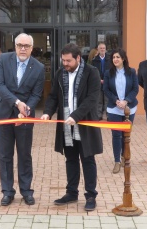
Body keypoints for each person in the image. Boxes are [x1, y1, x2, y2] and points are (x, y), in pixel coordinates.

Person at [41, 43, 102, 211]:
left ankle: (90, 195)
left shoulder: (92, 72)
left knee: (88, 159)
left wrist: (76, 116)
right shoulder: (60, 73)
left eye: (68, 61)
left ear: (78, 58)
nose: (65, 64)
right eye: (63, 60)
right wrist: (47, 112)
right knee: (71, 159)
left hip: (84, 122)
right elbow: (53, 96)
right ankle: (71, 193)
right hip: (66, 125)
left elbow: (92, 98)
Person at [0, 33, 45, 206]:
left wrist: (25, 110)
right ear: (15, 46)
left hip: (25, 117)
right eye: (20, 45)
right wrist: (18, 102)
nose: (23, 48)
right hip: (3, 112)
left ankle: (26, 191)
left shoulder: (39, 67)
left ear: (31, 48)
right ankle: (7, 191)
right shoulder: (3, 60)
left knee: (24, 154)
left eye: (26, 46)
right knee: (5, 154)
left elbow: (36, 94)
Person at [103, 48, 138, 173]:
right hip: (114, 108)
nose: (115, 59)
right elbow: (106, 89)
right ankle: (117, 161)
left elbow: (135, 89)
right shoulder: (108, 73)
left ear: (123, 59)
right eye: (113, 57)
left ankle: (124, 157)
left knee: (125, 135)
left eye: (118, 57)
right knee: (116, 135)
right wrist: (116, 100)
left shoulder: (132, 72)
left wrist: (126, 101)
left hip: (129, 108)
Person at [91, 43, 111, 120]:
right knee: (99, 100)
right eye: (101, 48)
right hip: (98, 82)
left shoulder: (109, 59)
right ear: (98, 50)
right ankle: (99, 115)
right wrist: (98, 79)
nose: (102, 49)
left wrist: (107, 79)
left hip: (107, 83)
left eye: (103, 48)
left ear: (105, 49)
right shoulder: (94, 60)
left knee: (107, 100)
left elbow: (112, 71)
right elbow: (93, 71)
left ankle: (108, 115)